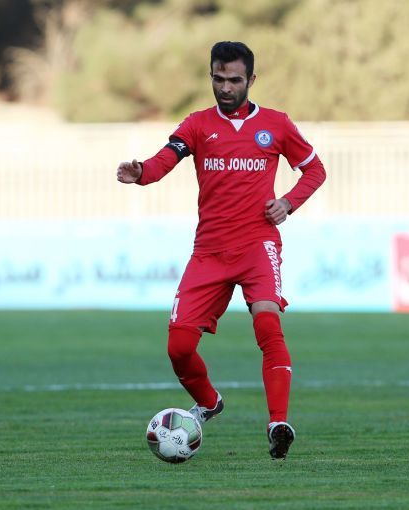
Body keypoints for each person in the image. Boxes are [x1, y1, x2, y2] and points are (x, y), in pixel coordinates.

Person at [116, 41, 326, 458]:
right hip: (209, 251)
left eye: (234, 80)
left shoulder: (277, 124)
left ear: (251, 79)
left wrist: (288, 202)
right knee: (178, 348)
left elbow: (314, 170)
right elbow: (166, 158)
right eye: (218, 79)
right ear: (210, 76)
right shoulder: (198, 124)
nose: (226, 87)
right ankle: (209, 403)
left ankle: (278, 422)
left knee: (268, 326)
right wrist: (142, 172)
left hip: (257, 244)